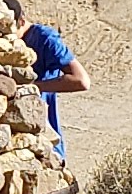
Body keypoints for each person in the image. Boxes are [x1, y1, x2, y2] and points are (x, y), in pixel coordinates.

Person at [24, 20, 92, 161]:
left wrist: (34, 87)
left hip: (45, 139)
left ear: (20, 21)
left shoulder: (45, 38)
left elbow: (81, 80)